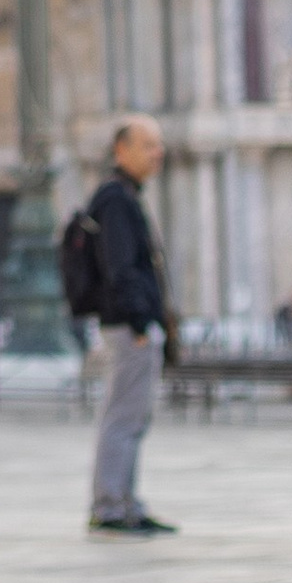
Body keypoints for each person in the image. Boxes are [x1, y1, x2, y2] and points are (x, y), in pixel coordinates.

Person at [85, 116, 177, 535]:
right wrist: (141, 321)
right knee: (123, 417)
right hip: (129, 326)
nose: (157, 153)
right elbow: (121, 267)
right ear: (121, 150)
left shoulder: (123, 196)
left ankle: (124, 501)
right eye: (148, 145)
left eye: (158, 145)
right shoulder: (116, 200)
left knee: (131, 416)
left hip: (131, 324)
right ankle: (110, 506)